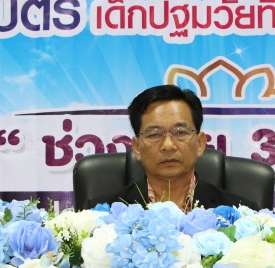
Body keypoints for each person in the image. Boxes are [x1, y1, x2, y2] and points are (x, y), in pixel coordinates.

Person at [81, 85, 259, 211]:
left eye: (180, 132)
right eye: (154, 134)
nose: (168, 145)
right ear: (136, 147)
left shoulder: (242, 214)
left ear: (200, 143)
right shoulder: (101, 214)